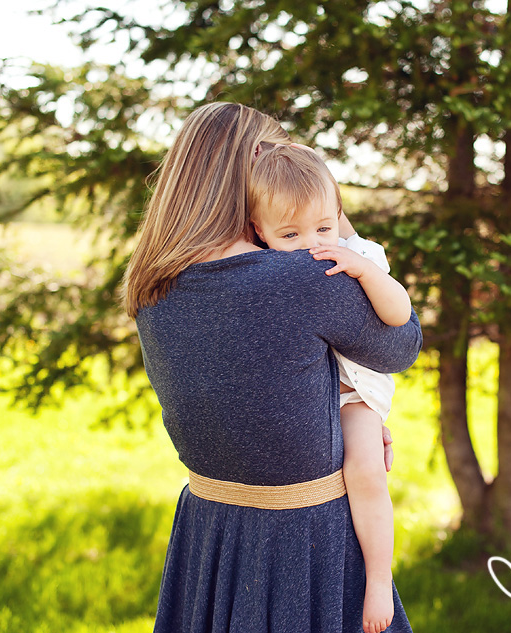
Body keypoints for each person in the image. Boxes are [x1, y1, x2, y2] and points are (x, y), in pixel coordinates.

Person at [123, 102, 422, 633]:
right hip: (303, 539)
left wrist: (332, 416)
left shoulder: (153, 284)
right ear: (250, 172)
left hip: (209, 529)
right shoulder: (299, 275)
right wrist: (330, 210)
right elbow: (400, 347)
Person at [247, 144, 411, 633]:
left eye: (322, 228)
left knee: (363, 470)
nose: (310, 244)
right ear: (259, 231)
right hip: (308, 395)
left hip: (355, 393)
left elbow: (400, 315)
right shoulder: (260, 267)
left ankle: (378, 581)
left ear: (337, 214)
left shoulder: (358, 254)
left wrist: (365, 271)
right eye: (290, 235)